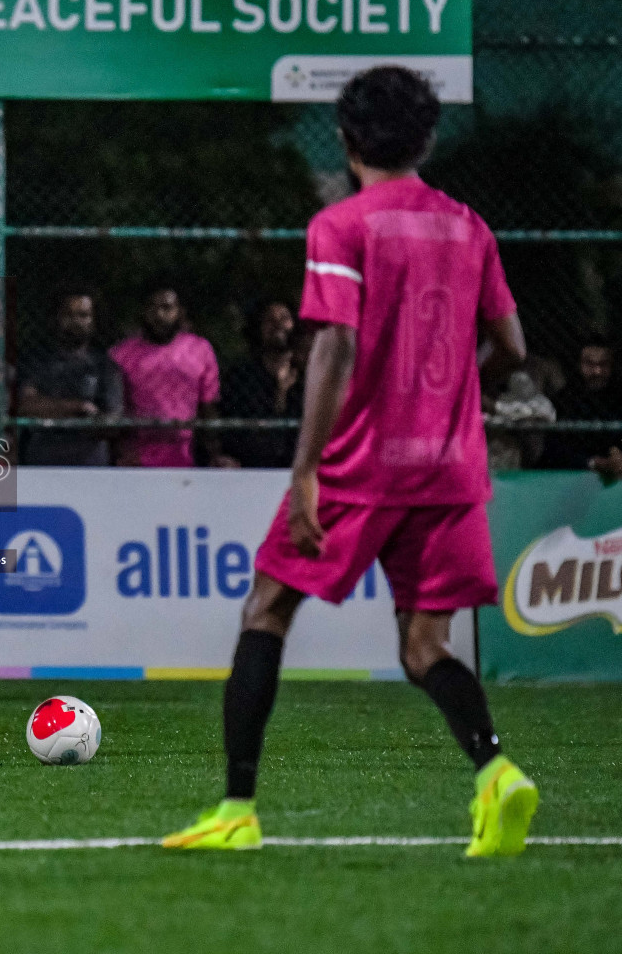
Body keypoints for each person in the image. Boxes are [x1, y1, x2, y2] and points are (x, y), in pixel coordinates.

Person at [163, 66, 538, 857]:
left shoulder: (344, 225)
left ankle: (236, 810)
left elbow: (334, 342)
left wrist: (305, 470)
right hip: (450, 468)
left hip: (363, 464)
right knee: (425, 647)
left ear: (346, 136)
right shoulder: (470, 226)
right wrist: (450, 388)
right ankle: (497, 774)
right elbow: (512, 348)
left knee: (266, 609)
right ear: (427, 137)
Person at [109, 285, 236, 467]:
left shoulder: (200, 349)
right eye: (152, 308)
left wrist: (215, 453)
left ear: (180, 312)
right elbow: (115, 411)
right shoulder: (121, 354)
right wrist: (123, 453)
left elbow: (208, 407)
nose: (159, 315)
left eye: (167, 308)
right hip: (135, 460)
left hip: (186, 457)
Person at [18, 292, 124, 465]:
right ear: (56, 319)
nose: (76, 321)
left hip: (90, 466)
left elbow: (112, 423)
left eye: (83, 315)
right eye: (68, 314)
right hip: (42, 464)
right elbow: (26, 406)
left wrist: (54, 411)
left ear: (93, 321)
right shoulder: (37, 361)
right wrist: (79, 408)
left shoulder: (105, 366)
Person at [541, 335, 622, 482]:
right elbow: (552, 449)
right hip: (573, 475)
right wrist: (594, 462)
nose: (597, 371)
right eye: (589, 364)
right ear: (578, 365)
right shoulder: (564, 399)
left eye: (604, 364)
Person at [221, 299, 303, 468]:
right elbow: (232, 428)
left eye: (284, 318)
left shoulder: (309, 375)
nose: (278, 325)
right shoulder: (240, 377)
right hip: (252, 470)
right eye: (270, 320)